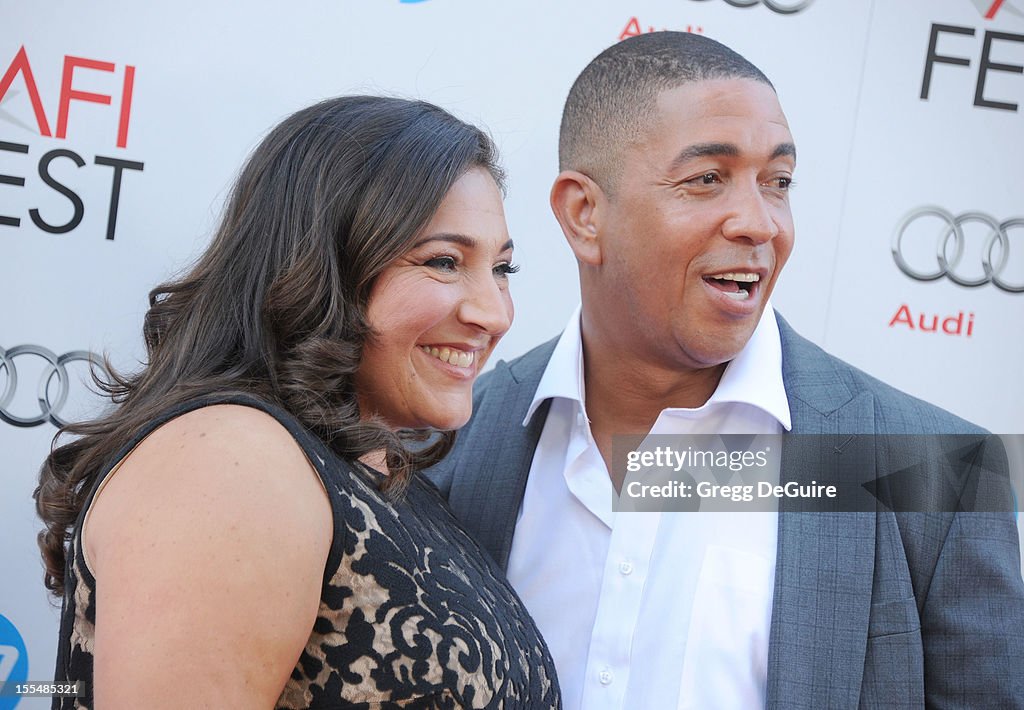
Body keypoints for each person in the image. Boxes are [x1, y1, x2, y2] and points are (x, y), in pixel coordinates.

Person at [427, 32, 1024, 709]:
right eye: (707, 179)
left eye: (779, 182)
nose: (759, 223)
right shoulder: (451, 442)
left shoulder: (936, 475)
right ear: (584, 214)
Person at [34, 95, 561, 709]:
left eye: (503, 269)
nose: (493, 313)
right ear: (324, 263)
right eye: (444, 262)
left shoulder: (383, 479)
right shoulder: (231, 462)